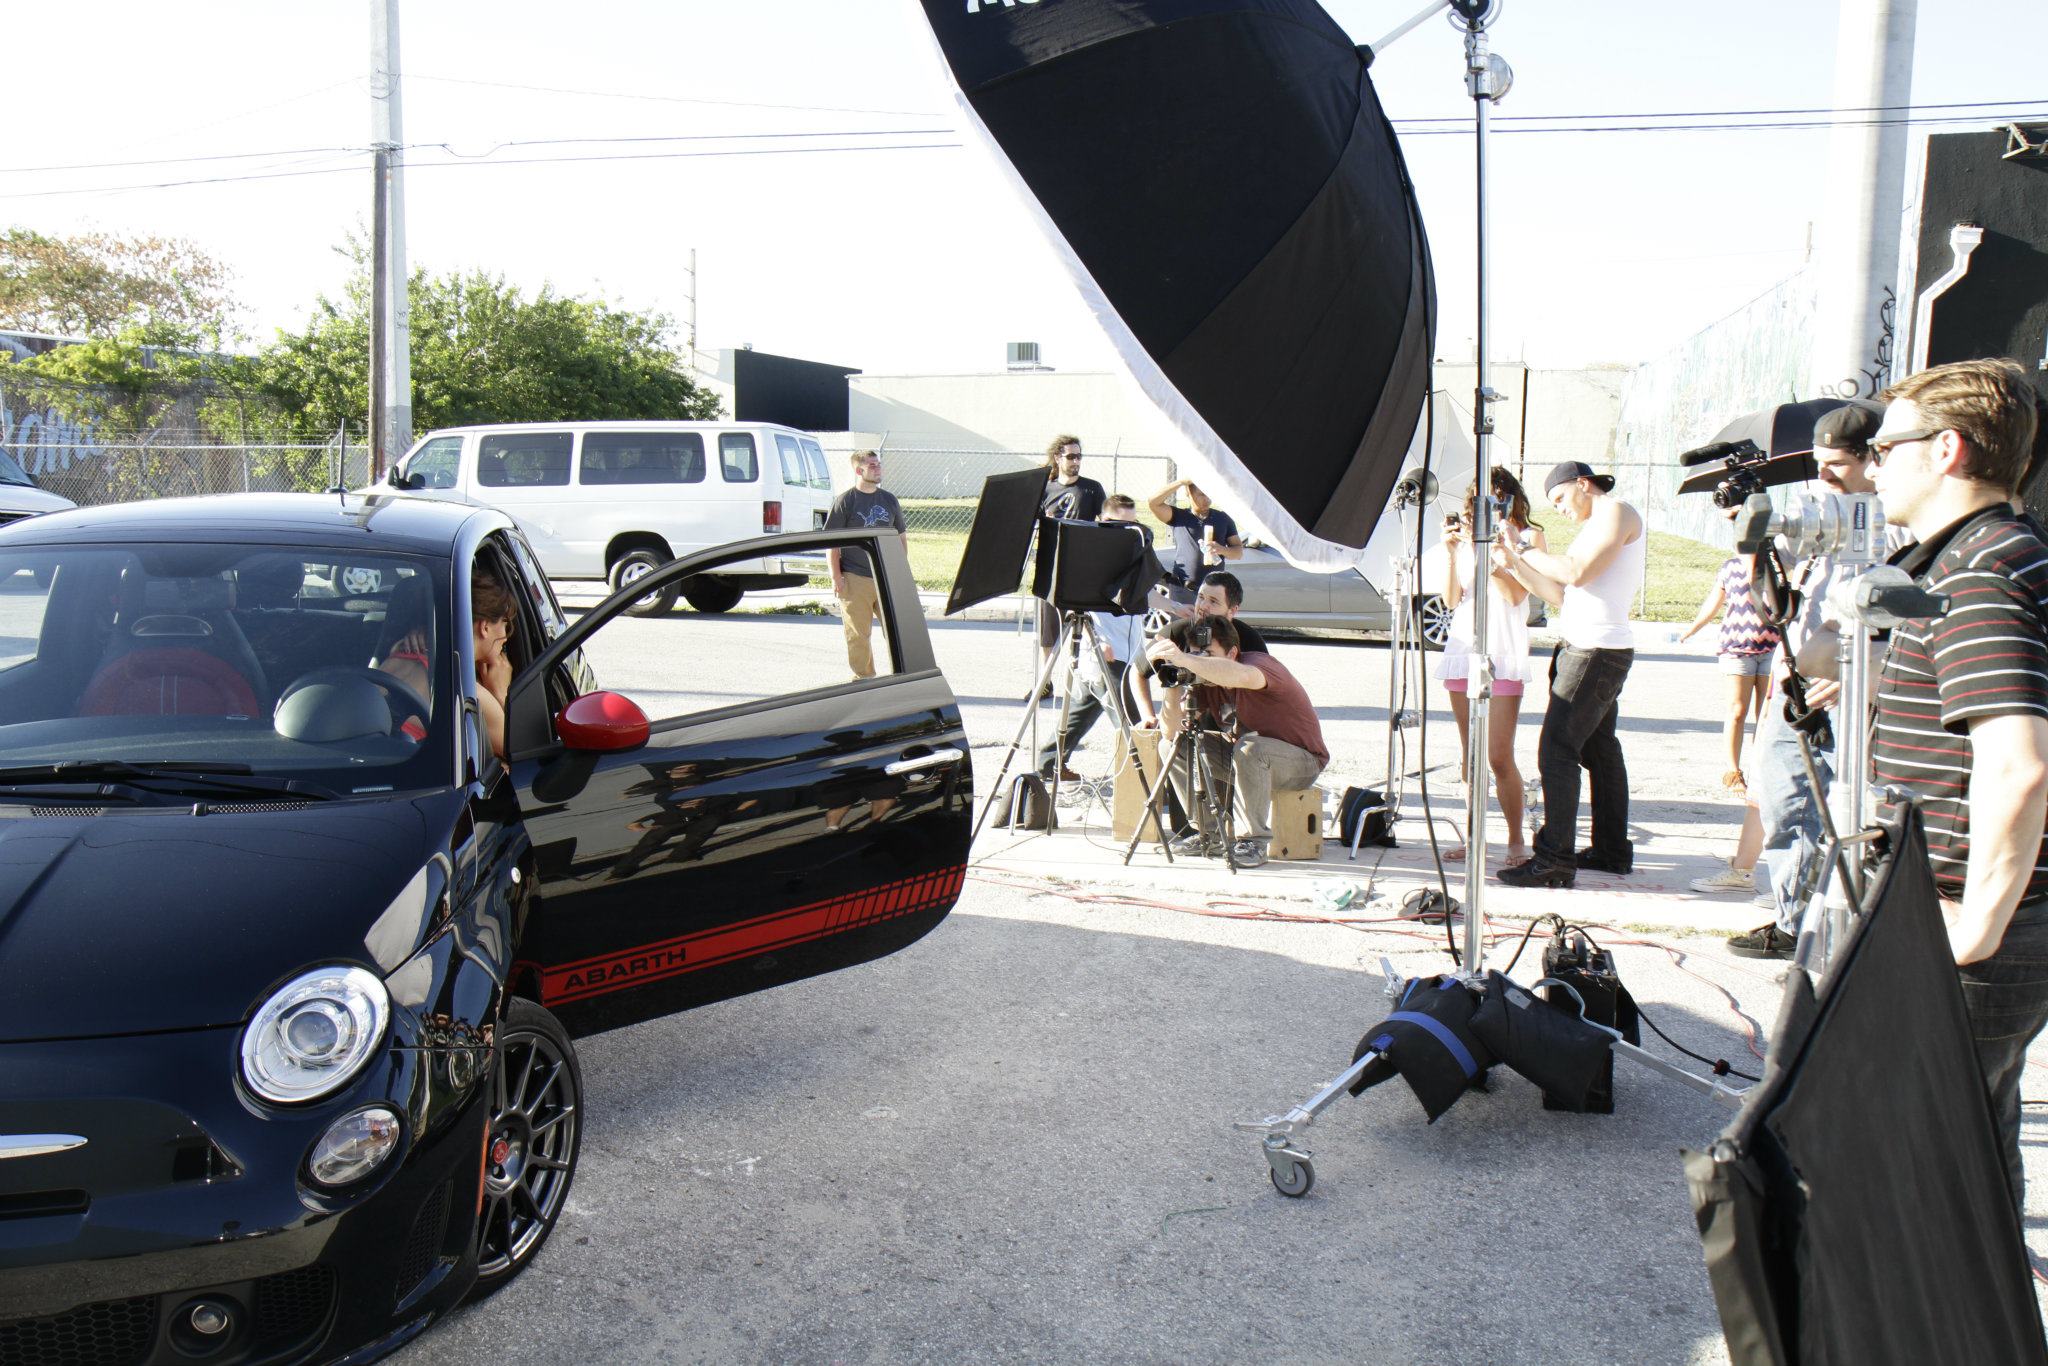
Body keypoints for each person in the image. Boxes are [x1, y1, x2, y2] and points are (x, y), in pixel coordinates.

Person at [1867, 357, 2048, 1215]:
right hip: (1992, 918)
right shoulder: (2003, 553)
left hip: (1973, 926)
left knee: (1922, 1168)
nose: (1874, 463)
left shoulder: (1977, 573)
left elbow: (2018, 765)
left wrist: (1976, 924)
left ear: (1945, 450)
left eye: (1885, 445)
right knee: (1971, 1152)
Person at [1726, 403, 1884, 947]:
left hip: (1857, 685)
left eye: (1837, 463)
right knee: (1784, 800)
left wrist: (1869, 670)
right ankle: (1795, 923)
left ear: (1874, 458)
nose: (1824, 473)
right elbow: (1776, 600)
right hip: (1799, 679)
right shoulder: (1814, 510)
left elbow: (1916, 612)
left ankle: (1850, 929)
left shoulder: (1899, 521)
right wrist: (1757, 547)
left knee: (1853, 810)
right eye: (1819, 461)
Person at [1490, 461, 1646, 889]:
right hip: (1587, 646)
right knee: (1599, 750)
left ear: (1583, 484)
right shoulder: (1597, 524)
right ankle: (1611, 851)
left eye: (1559, 499)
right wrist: (1512, 564)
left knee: (1557, 751)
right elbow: (1560, 593)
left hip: (1596, 650)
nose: (1558, 509)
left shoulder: (1615, 511)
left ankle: (1554, 859)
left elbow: (1576, 571)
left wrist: (1522, 550)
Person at [1143, 615, 1328, 870]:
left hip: (1302, 762)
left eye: (1207, 653)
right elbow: (1170, 732)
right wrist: (1170, 681)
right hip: (1249, 759)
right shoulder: (1204, 680)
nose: (1199, 661)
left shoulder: (1258, 665)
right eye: (1194, 652)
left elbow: (1240, 677)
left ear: (1231, 653)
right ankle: (1210, 834)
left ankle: (1253, 841)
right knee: (1173, 747)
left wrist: (1186, 659)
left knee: (1251, 748)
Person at [1436, 468, 1546, 863]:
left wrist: (1493, 555)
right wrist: (1452, 554)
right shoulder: (1466, 542)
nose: (1491, 504)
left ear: (1512, 499)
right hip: (1465, 646)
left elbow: (1518, 596)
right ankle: (1473, 837)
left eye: (1499, 497)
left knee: (1498, 754)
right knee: (1469, 755)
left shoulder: (1528, 539)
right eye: (1483, 498)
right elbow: (1451, 600)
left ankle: (1516, 837)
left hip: (1502, 649)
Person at [1038, 496, 1159, 781]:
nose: (1128, 531)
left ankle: (1049, 763)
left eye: (1133, 524)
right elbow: (1078, 605)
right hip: (1107, 654)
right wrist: (1096, 644)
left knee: (1079, 713)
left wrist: (1176, 607)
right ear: (1103, 522)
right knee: (1132, 719)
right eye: (1120, 525)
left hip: (1127, 651)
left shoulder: (1131, 552)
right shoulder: (1093, 558)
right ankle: (1143, 780)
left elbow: (1142, 591)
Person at [1678, 505, 1780, 793]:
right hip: (1737, 647)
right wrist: (1692, 629)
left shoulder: (1774, 567)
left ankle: (1763, 770)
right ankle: (1733, 770)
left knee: (1767, 714)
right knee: (1737, 709)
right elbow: (1713, 604)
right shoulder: (1730, 567)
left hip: (1771, 646)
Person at [1033, 435, 1109, 697]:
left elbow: (1106, 522)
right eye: (1071, 457)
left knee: (1082, 626)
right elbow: (1034, 524)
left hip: (1080, 568)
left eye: (1079, 456)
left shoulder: (1091, 489)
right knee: (1048, 628)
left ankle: (1080, 681)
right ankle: (1045, 681)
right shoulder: (1046, 489)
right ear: (1058, 457)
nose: (1076, 462)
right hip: (1051, 566)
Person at [825, 449, 907, 680]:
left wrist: (900, 573)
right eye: (872, 465)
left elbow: (900, 538)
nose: (878, 468)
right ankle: (865, 678)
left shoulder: (889, 500)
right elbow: (832, 544)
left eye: (878, 464)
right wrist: (836, 577)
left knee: (897, 632)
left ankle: (904, 677)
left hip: (886, 577)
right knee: (858, 634)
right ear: (858, 470)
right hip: (854, 577)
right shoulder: (845, 501)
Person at [1147, 477, 1244, 591]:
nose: (1207, 500)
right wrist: (1180, 482)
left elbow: (1238, 553)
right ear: (1188, 492)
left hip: (1213, 589)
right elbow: (1153, 503)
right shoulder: (1179, 516)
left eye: (1209, 494)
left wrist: (1221, 549)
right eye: (1202, 494)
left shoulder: (1223, 518)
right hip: (1182, 587)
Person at [471, 568, 516, 761]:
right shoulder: (473, 695)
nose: (505, 637)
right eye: (505, 623)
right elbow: (518, 754)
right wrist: (501, 693)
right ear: (485, 626)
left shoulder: (398, 656)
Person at [1189, 570, 1270, 655]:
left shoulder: (1250, 641)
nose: (1202, 606)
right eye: (1201, 597)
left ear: (1232, 611)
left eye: (1213, 601)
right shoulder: (1178, 632)